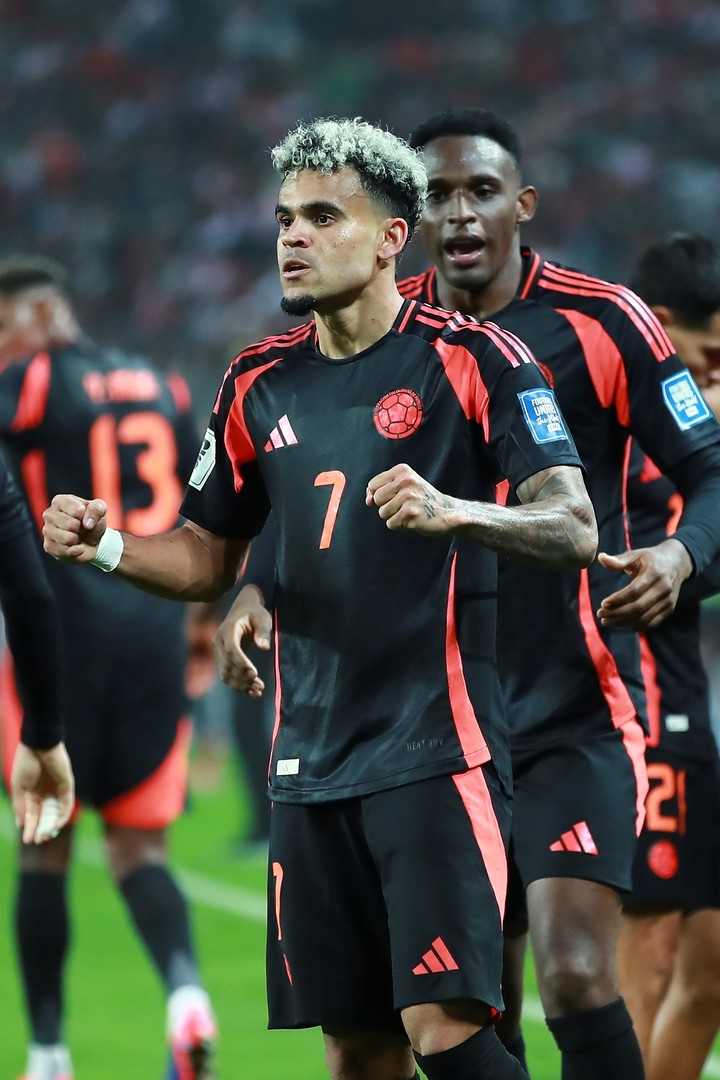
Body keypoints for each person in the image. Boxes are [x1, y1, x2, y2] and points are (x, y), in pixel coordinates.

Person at [42, 117, 599, 1080]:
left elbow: (574, 524)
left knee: (447, 1029)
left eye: (322, 216)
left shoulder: (478, 360)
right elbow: (210, 554)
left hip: (438, 752)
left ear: (392, 237)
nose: (291, 237)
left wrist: (460, 510)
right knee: (355, 1049)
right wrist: (111, 546)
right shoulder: (256, 381)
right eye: (284, 217)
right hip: (308, 763)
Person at [217, 110, 720, 1080]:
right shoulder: (376, 331)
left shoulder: (604, 319)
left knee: (576, 974)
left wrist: (683, 559)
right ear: (408, 220)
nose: (459, 214)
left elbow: (711, 470)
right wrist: (252, 582)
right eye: (438, 194)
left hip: (570, 709)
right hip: (426, 727)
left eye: (480, 192)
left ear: (521, 206)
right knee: (469, 1012)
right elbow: (309, 473)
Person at [0, 256, 217, 1080]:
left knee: (43, 845)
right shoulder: (165, 382)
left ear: (43, 314)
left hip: (56, 639)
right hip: (157, 636)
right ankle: (187, 998)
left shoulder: (29, 381)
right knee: (142, 852)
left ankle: (50, 1053)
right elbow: (204, 510)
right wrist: (199, 619)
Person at [615, 233, 720, 1080]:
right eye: (709, 354)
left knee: (712, 967)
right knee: (646, 945)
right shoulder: (620, 418)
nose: (715, 373)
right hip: (636, 699)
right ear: (657, 327)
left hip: (689, 698)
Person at [0, 451, 74, 846]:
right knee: (138, 849)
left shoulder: (38, 387)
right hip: (146, 627)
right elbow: (30, 598)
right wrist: (43, 734)